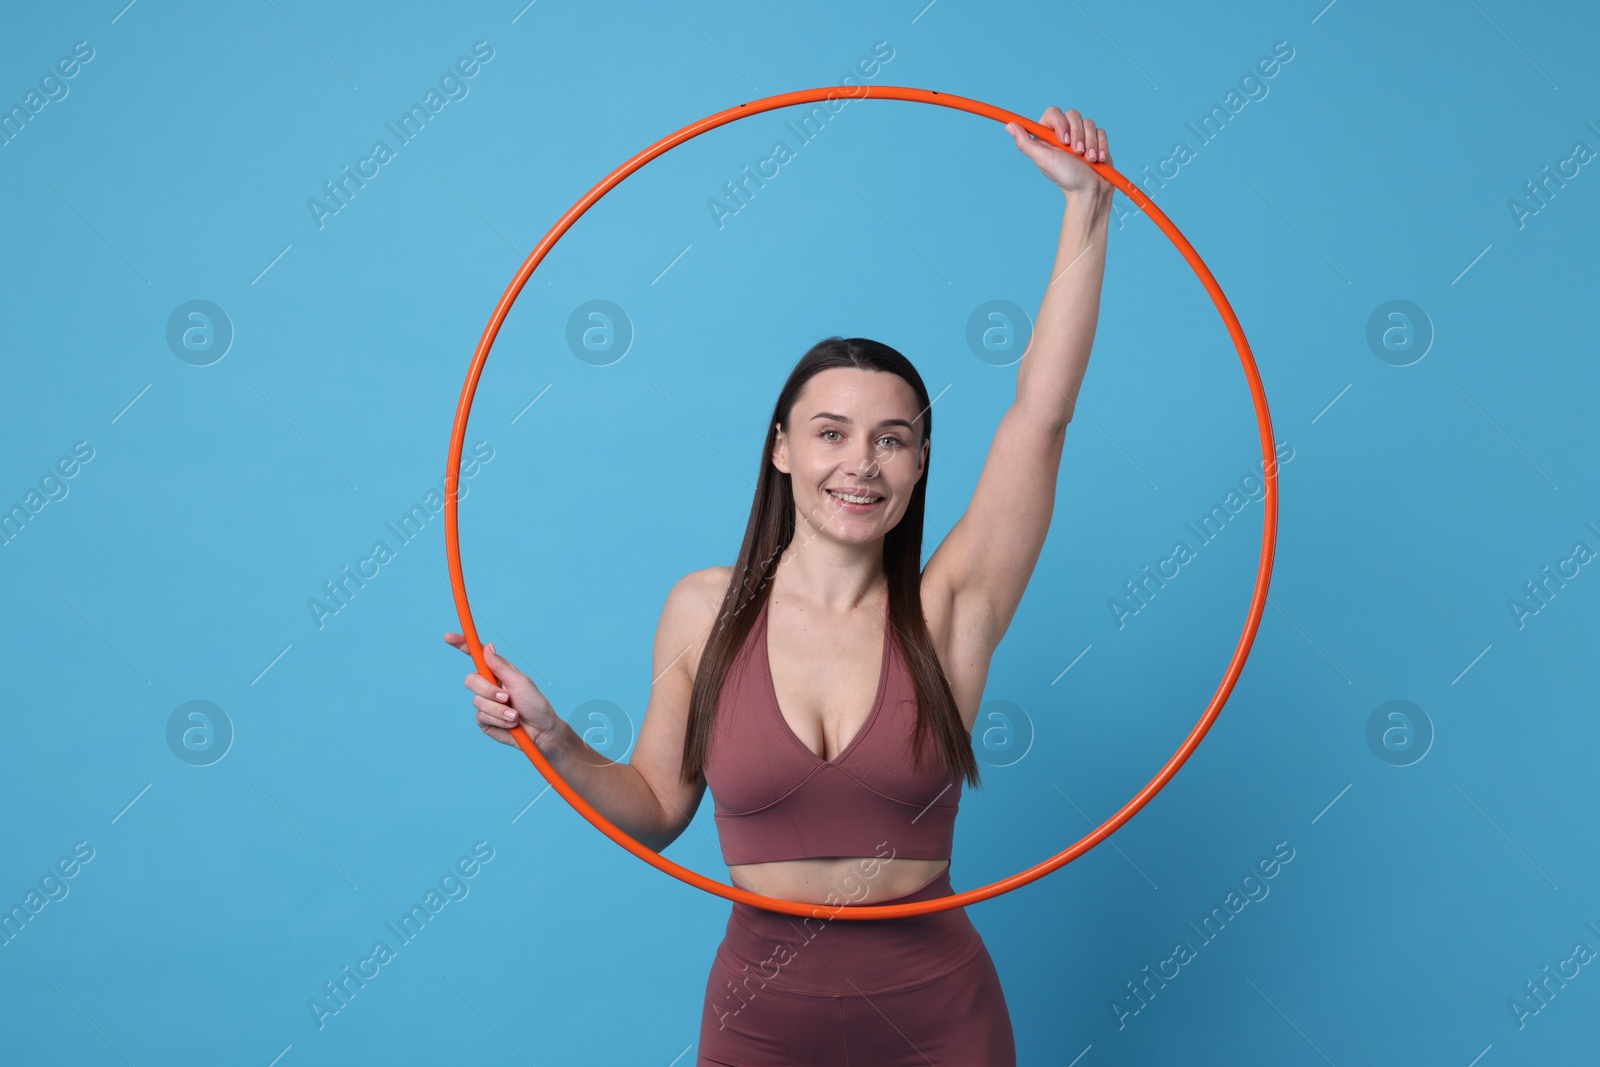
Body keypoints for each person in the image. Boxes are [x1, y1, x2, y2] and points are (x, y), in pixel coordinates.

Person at [445, 105, 1113, 1066]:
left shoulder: (951, 608)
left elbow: (1039, 418)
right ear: (782, 449)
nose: (861, 463)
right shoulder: (703, 609)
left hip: (939, 1017)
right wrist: (554, 742)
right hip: (762, 1020)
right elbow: (653, 807)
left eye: (893, 438)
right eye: (832, 431)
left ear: (921, 465)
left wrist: (1086, 209)